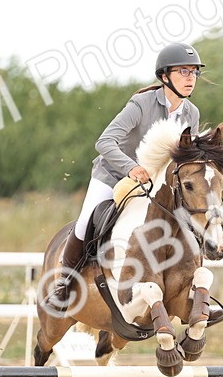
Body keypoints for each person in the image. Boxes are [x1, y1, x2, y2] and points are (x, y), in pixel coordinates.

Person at [47, 42, 205, 308]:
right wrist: (131, 167)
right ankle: (64, 281)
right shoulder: (141, 104)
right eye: (183, 72)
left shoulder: (192, 113)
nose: (190, 78)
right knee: (87, 221)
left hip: (155, 184)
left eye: (194, 72)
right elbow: (105, 141)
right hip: (114, 175)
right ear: (165, 76)